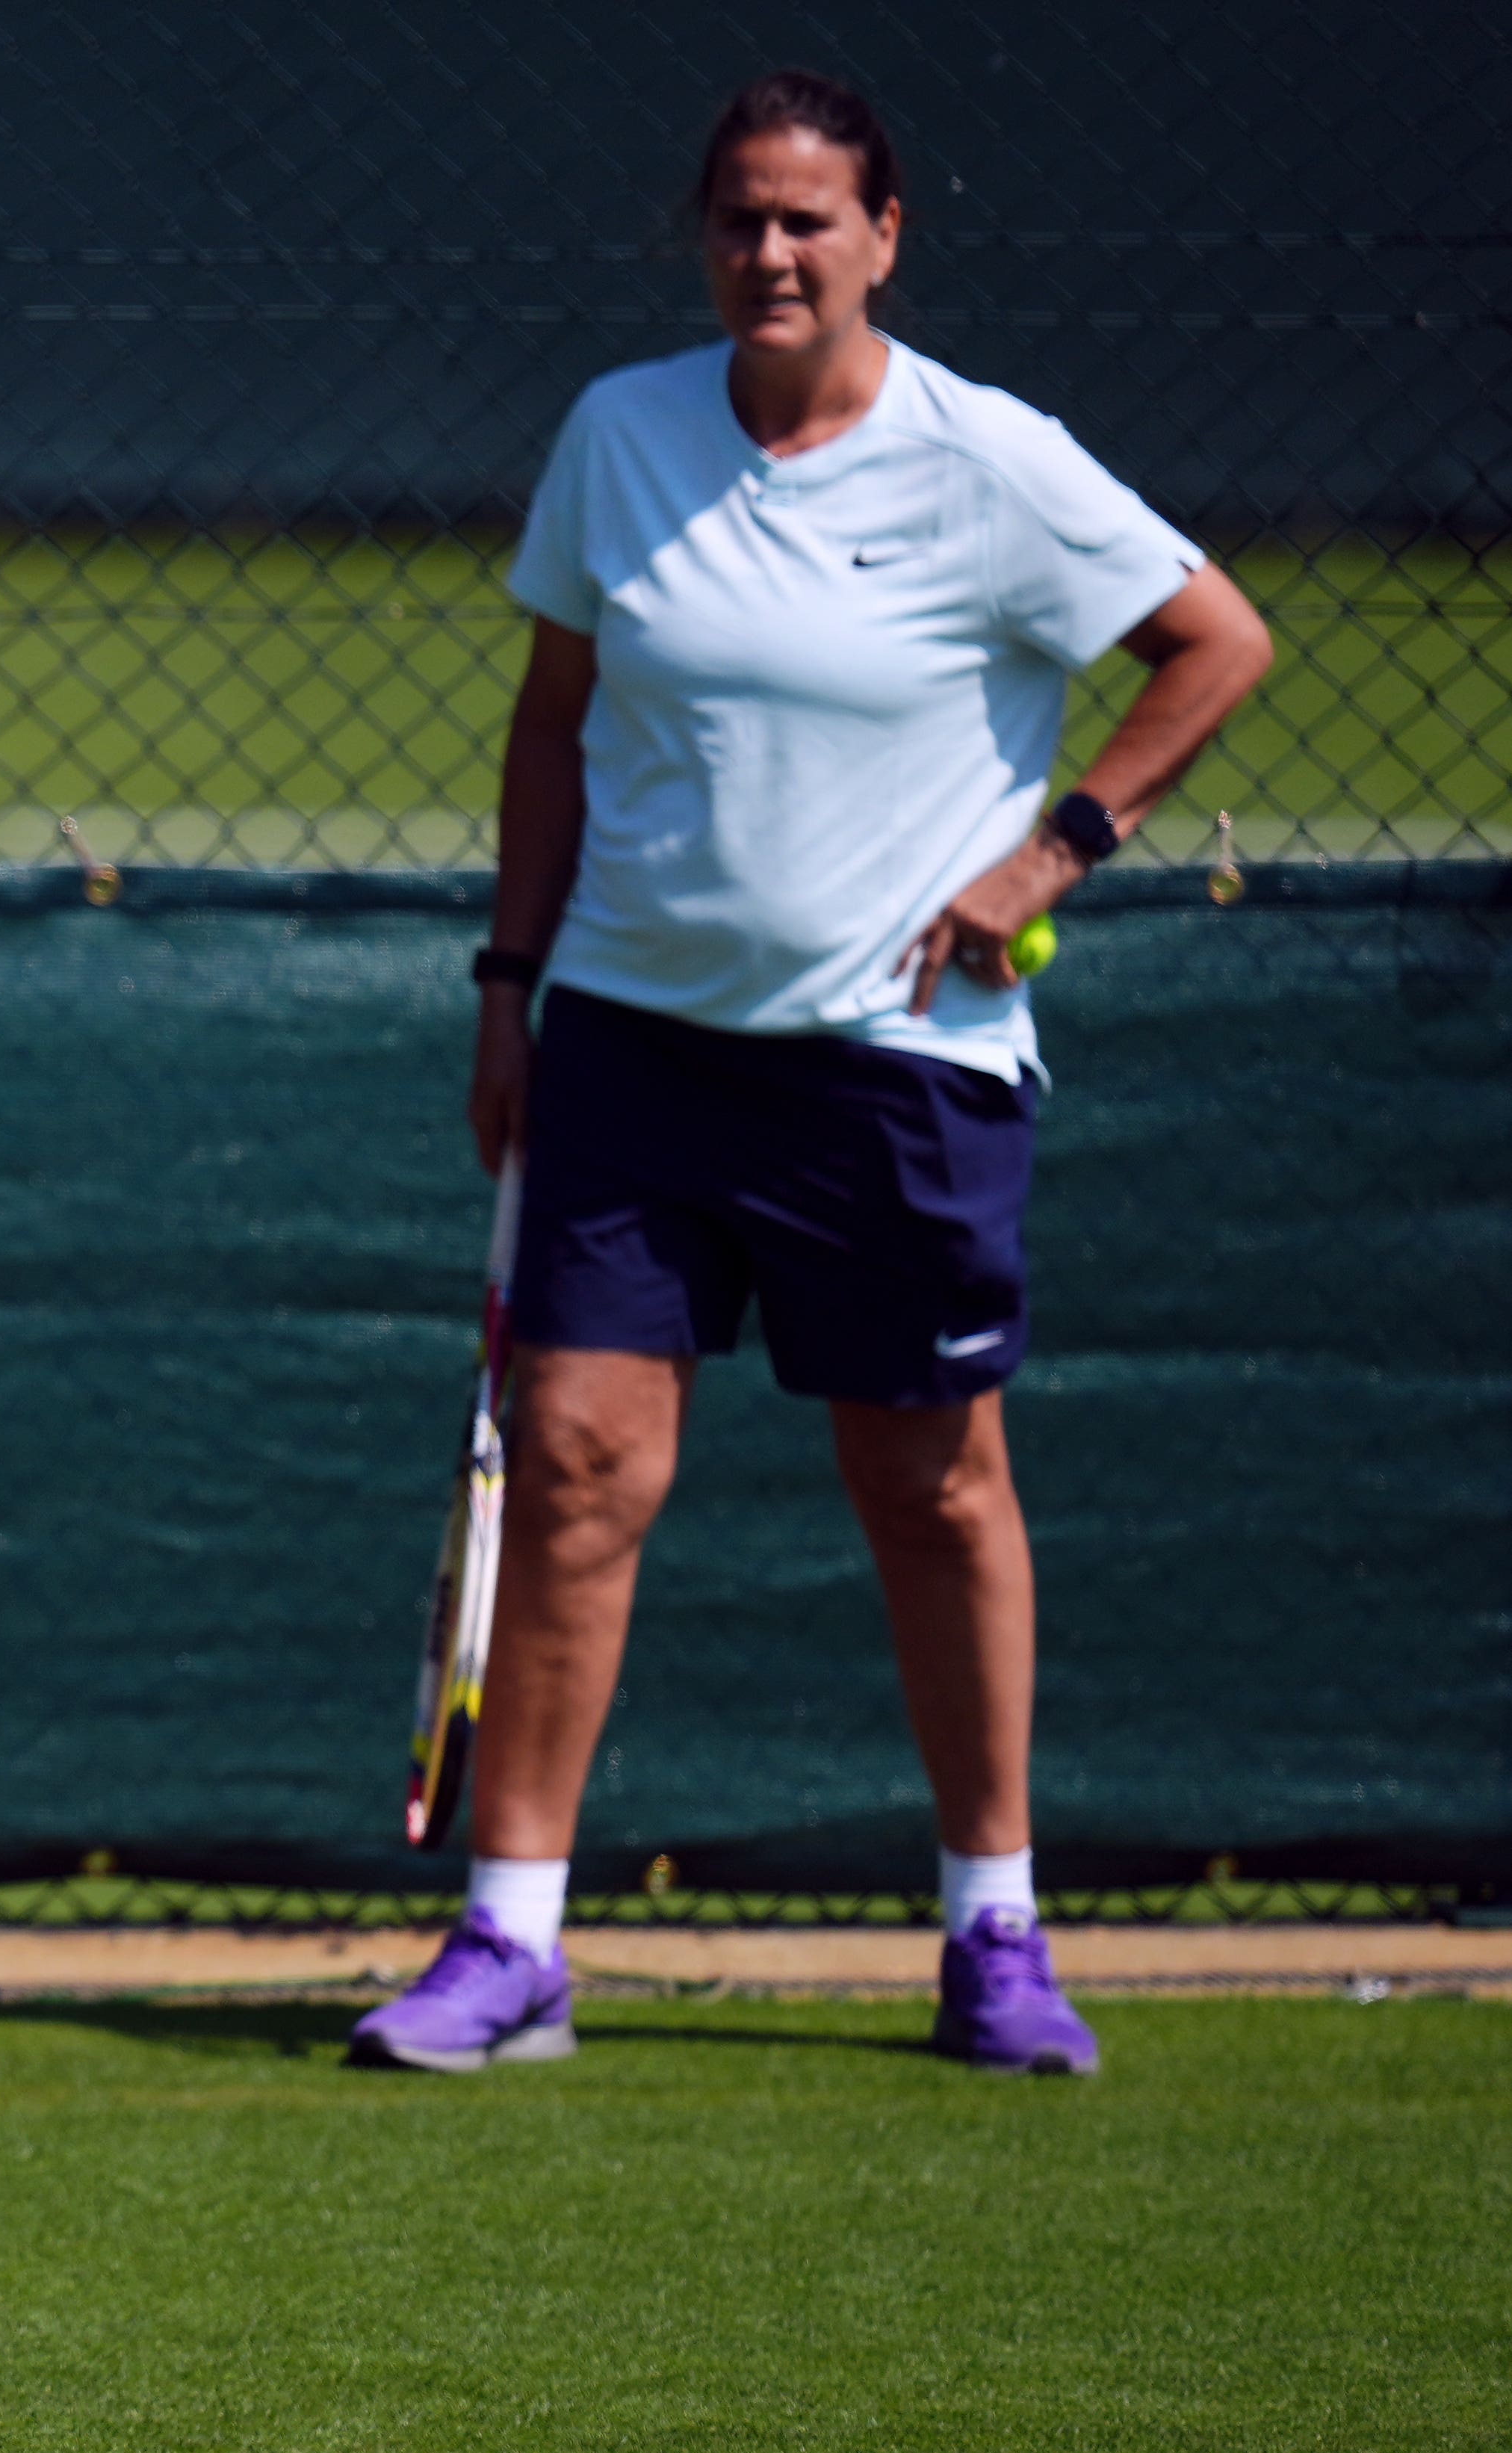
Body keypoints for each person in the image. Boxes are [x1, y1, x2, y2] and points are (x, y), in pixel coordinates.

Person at [352, 71, 1272, 2079]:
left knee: (931, 1486)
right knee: (579, 1467)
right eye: (740, 220)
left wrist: (1055, 852)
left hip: (898, 1069)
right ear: (705, 236)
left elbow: (1216, 641)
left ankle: (993, 1934)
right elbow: (549, 728)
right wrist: (507, 989)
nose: (771, 254)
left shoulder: (991, 462)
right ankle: (509, 1942)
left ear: (882, 238)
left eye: (810, 222)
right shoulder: (624, 432)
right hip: (627, 1045)